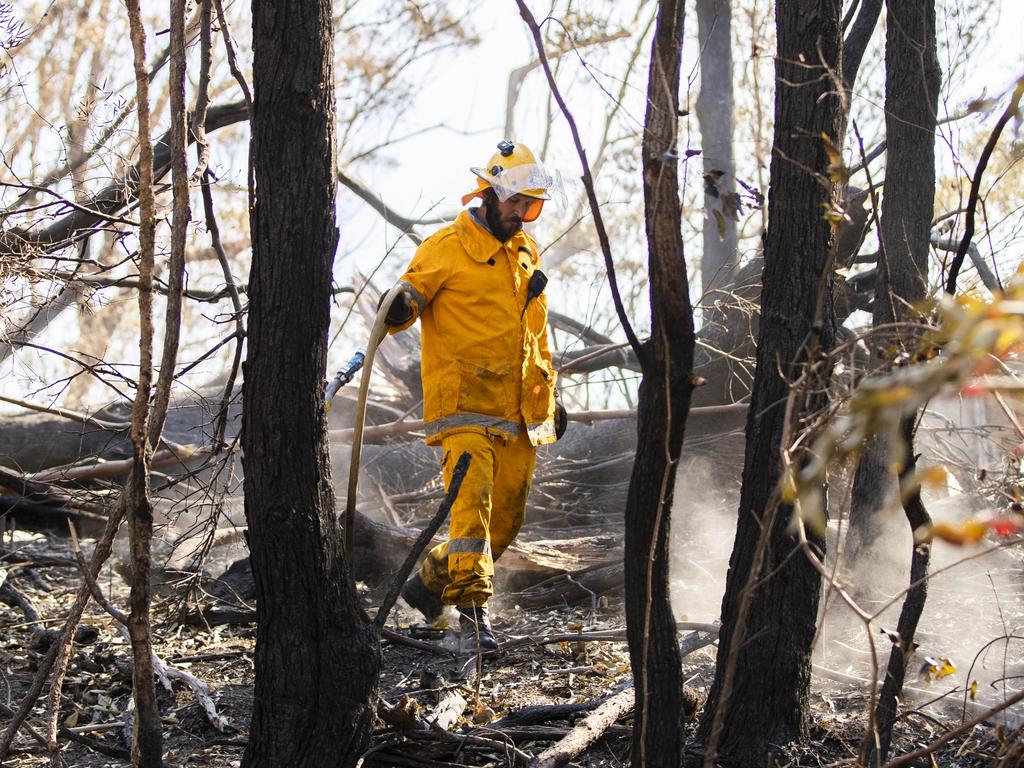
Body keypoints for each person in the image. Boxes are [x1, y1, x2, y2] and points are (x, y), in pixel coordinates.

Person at [383, 140, 567, 650]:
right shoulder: (447, 246)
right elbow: (408, 298)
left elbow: (535, 335)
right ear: (490, 193)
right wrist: (401, 305)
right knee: (472, 510)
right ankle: (471, 619)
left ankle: (428, 585)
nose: (523, 216)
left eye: (532, 207)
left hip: (519, 413)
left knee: (504, 524)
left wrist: (550, 400)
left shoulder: (525, 254)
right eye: (517, 203)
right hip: (463, 407)